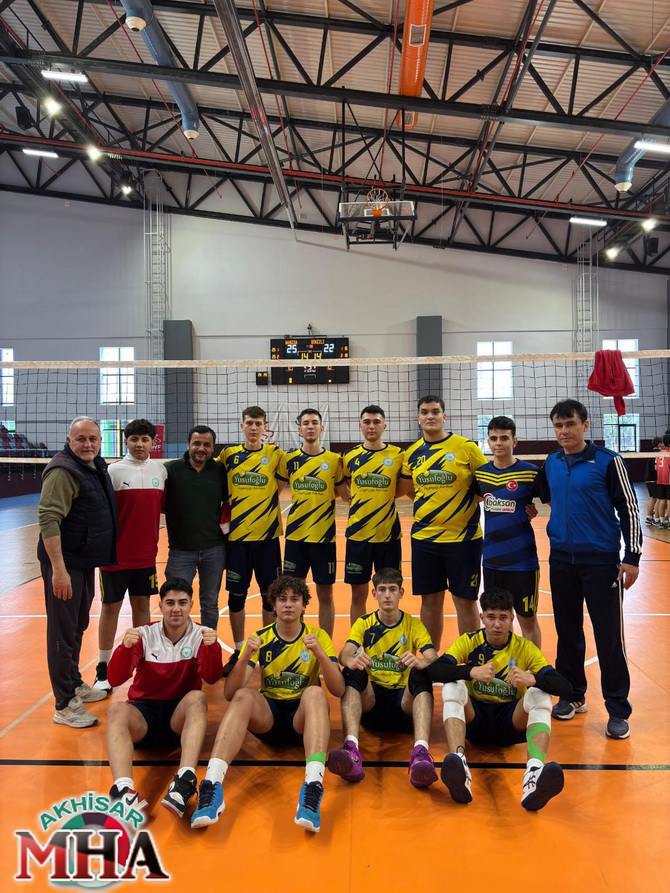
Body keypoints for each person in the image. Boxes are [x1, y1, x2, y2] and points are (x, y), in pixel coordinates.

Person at [190, 575, 344, 834]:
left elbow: (338, 689)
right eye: (282, 599)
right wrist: (245, 657)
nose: (288, 604)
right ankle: (212, 785)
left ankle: (313, 787)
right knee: (243, 696)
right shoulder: (261, 637)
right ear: (273, 604)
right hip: (269, 719)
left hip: (302, 721)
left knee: (315, 693)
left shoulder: (317, 636)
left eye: (294, 599)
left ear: (304, 605)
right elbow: (229, 693)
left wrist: (319, 653)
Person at [536, 399, 642, 740]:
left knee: (608, 638)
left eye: (570, 424)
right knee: (567, 633)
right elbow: (538, 495)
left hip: (600, 562)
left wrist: (633, 557)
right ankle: (572, 695)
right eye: (558, 425)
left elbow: (629, 510)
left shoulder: (608, 461)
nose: (564, 431)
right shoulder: (552, 462)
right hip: (561, 560)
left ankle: (618, 709)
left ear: (585, 425)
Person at [423, 588, 572, 811]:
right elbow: (435, 670)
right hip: (474, 722)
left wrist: (533, 678)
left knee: (540, 693)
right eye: (491, 617)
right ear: (482, 617)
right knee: (452, 685)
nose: (497, 624)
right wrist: (470, 671)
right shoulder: (469, 641)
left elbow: (566, 688)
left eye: (503, 618)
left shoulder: (525, 648)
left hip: (510, 723)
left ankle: (533, 775)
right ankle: (460, 764)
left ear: (512, 619)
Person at [106, 578, 222, 818]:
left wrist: (212, 649)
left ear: (191, 605)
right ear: (160, 605)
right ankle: (123, 790)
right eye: (170, 603)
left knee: (197, 698)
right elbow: (115, 679)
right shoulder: (144, 634)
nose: (176, 609)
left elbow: (212, 678)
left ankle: (185, 780)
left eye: (182, 602)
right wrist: (124, 649)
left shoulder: (202, 635)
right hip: (144, 716)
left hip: (179, 719)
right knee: (117, 710)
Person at [37, 416, 117, 728]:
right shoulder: (63, 471)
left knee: (77, 625)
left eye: (93, 439)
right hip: (65, 563)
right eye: (81, 438)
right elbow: (49, 518)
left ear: (100, 441)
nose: (87, 444)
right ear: (69, 440)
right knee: (62, 632)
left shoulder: (95, 466)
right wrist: (58, 570)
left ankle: (73, 683)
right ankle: (64, 704)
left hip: (83, 560)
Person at [327, 568, 438, 787]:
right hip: (372, 705)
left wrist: (421, 662)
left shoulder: (413, 624)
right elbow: (344, 654)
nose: (387, 595)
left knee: (422, 673)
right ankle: (351, 749)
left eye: (392, 589)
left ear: (401, 593)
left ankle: (421, 753)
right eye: (382, 589)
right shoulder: (364, 623)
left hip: (404, 707)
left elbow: (433, 658)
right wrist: (351, 660)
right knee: (352, 670)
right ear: (374, 593)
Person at [398, 395, 487, 647]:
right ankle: (431, 657)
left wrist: (459, 503)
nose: (430, 416)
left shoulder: (466, 447)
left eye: (435, 411)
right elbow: (408, 490)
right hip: (425, 539)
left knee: (465, 601)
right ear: (418, 418)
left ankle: (470, 657)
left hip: (464, 539)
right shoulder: (412, 453)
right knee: (430, 601)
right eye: (425, 412)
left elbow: (485, 485)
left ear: (444, 416)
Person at [93, 419, 167, 693]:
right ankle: (103, 667)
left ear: (152, 442)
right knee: (110, 608)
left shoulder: (160, 470)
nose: (139, 444)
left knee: (142, 607)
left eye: (144, 439)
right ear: (126, 441)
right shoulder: (113, 471)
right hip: (115, 557)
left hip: (146, 557)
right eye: (134, 439)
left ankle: (143, 662)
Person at [216, 406, 285, 674]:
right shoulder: (228, 455)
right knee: (236, 598)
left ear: (265, 427)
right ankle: (238, 650)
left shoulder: (275, 454)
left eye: (258, 423)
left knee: (270, 598)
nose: (254, 428)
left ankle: (268, 649)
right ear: (242, 426)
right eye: (249, 423)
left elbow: (282, 485)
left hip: (267, 540)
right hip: (237, 541)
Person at [473, 416, 542, 647]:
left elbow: (552, 502)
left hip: (523, 562)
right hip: (492, 561)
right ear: (488, 442)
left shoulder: (531, 473)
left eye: (504, 438)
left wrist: (533, 512)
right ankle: (504, 664)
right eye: (493, 438)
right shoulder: (481, 474)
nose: (498, 443)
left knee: (527, 620)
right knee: (498, 619)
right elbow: (473, 502)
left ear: (515, 441)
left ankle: (533, 667)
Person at [279, 408, 344, 636]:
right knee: (292, 593)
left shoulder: (334, 461)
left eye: (314, 422)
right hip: (296, 538)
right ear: (299, 429)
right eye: (305, 423)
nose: (310, 426)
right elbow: (273, 491)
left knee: (326, 594)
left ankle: (325, 642)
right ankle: (295, 639)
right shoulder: (289, 460)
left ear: (321, 428)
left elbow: (345, 494)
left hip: (324, 538)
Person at [342, 405, 404, 622]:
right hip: (358, 536)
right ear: (360, 425)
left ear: (385, 425)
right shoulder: (349, 456)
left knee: (390, 594)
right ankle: (357, 639)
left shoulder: (398, 455)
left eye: (376, 422)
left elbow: (402, 488)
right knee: (358, 595)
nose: (371, 426)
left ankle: (389, 634)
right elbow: (345, 484)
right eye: (367, 422)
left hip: (388, 536)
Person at [164, 424, 228, 635]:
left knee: (210, 602)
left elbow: (227, 505)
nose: (201, 448)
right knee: (176, 602)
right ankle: (177, 645)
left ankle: (207, 646)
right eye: (197, 443)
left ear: (213, 448)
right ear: (188, 444)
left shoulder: (220, 471)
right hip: (180, 551)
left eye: (206, 445)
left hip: (214, 549)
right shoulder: (171, 470)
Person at [652, 432, 670, 528]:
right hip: (668, 480)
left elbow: (656, 468)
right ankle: (669, 521)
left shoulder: (658, 453)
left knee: (661, 500)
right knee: (669, 501)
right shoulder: (669, 453)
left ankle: (661, 521)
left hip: (660, 480)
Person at [643, 435, 662, 526]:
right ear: (659, 444)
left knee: (653, 499)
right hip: (654, 479)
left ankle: (649, 518)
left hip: (648, 478)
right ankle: (657, 520)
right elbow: (656, 468)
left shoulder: (651, 452)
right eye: (662, 442)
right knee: (658, 499)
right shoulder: (660, 453)